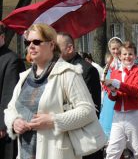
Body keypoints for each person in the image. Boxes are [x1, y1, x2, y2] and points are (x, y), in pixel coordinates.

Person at [4, 23, 98, 159]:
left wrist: (53, 120)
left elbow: (88, 111)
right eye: (27, 42)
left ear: (52, 45)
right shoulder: (25, 76)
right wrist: (14, 121)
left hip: (56, 153)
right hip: (25, 153)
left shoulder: (68, 73)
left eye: (36, 42)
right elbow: (10, 109)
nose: (31, 46)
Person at [56, 32, 102, 159]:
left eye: (56, 48)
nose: (52, 52)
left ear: (69, 48)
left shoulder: (86, 70)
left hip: (83, 138)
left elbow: (93, 109)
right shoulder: (55, 69)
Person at [103, 41, 138, 159]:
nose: (127, 57)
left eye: (130, 54)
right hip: (118, 115)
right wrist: (112, 90)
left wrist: (116, 83)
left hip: (134, 114)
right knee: (112, 150)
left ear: (134, 56)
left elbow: (135, 91)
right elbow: (112, 97)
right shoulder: (115, 72)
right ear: (120, 56)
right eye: (124, 54)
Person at [0, 24, 25, 159]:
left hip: (4, 128)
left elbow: (8, 94)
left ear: (2, 37)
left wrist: (2, 124)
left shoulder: (11, 59)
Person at [99, 37, 123, 140]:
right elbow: (103, 81)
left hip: (120, 97)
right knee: (108, 122)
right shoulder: (108, 65)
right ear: (110, 49)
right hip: (109, 99)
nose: (116, 51)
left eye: (118, 48)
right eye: (113, 49)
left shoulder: (123, 64)